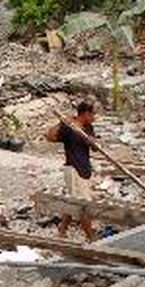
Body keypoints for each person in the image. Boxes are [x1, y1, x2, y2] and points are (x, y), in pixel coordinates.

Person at [45, 102, 97, 241]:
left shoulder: (88, 127)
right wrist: (61, 123)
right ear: (85, 113)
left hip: (85, 169)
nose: (95, 117)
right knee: (83, 205)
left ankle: (62, 228)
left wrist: (90, 140)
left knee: (74, 201)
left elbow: (95, 147)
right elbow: (50, 137)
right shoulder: (68, 127)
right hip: (73, 168)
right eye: (93, 114)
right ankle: (90, 237)